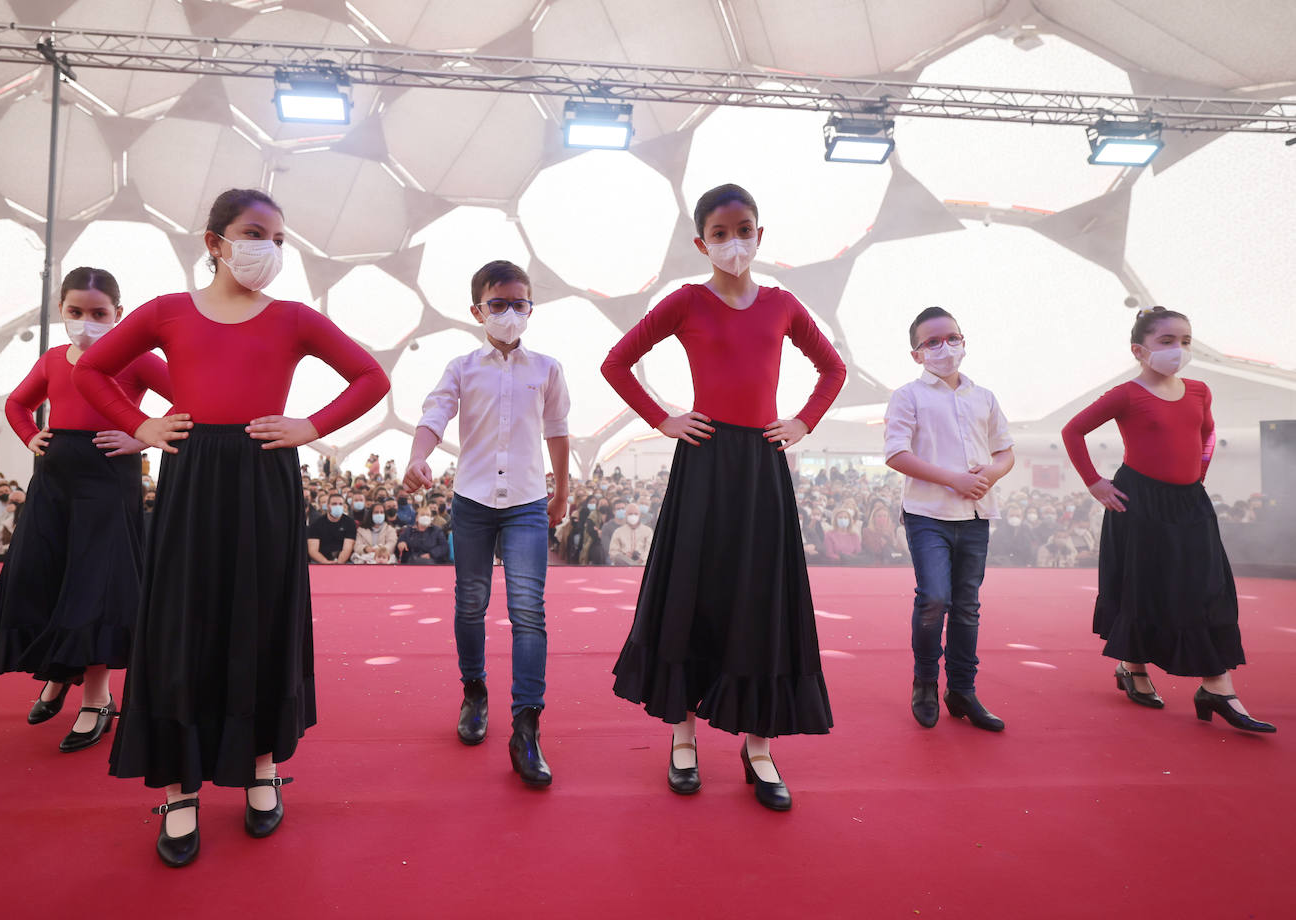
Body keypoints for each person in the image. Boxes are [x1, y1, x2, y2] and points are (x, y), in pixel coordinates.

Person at [72, 188, 390, 866]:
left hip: (264, 475)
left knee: (262, 615)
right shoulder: (165, 312)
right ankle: (181, 787)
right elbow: (96, 370)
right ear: (213, 242)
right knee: (182, 622)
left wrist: (311, 426)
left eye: (277, 238)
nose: (268, 248)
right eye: (253, 233)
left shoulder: (296, 318)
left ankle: (263, 765)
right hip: (189, 476)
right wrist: (141, 425)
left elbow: (370, 378)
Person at [601, 184, 845, 810]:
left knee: (761, 599)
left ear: (759, 234)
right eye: (720, 232)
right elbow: (616, 363)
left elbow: (833, 369)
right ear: (701, 242)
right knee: (691, 592)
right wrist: (662, 420)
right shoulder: (684, 302)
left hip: (763, 467)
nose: (733, 241)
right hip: (704, 462)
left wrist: (803, 422)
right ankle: (682, 738)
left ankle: (758, 747)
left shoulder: (784, 305)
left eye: (744, 229)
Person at [0, 267, 171, 755]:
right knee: (44, 580)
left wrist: (141, 434)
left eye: (99, 313)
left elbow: (196, 405)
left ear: (119, 314)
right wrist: (31, 436)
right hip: (52, 483)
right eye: (75, 312)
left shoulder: (138, 359)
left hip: (109, 483)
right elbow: (17, 404)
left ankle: (98, 698)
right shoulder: (51, 359)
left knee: (96, 587)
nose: (86, 322)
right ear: (61, 312)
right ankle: (58, 673)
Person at [1061, 307, 1273, 733]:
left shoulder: (1199, 390)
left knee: (1206, 587)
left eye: (1186, 340)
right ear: (1140, 350)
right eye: (1167, 341)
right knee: (1147, 588)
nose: (1179, 349)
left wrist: (1199, 474)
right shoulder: (1127, 394)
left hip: (1190, 503)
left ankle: (1213, 684)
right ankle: (1143, 669)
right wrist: (1094, 483)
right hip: (1139, 502)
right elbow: (1072, 431)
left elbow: (1207, 434)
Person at [405, 260, 570, 786]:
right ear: (477, 310)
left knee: (529, 612)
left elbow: (559, 431)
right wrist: (417, 456)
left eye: (519, 303)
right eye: (497, 303)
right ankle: (474, 692)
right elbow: (435, 414)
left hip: (525, 502)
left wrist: (562, 489)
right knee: (471, 603)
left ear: (530, 309)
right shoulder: (461, 367)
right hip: (472, 499)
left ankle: (527, 726)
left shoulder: (547, 368)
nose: (508, 312)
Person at [884, 306, 1014, 732]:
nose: (945, 347)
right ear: (917, 353)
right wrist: (953, 480)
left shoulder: (984, 397)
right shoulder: (909, 395)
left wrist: (990, 474)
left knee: (967, 607)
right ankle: (925, 681)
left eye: (952, 338)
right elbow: (896, 453)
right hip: (927, 514)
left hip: (976, 513)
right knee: (934, 598)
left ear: (964, 342)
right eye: (933, 342)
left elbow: (1005, 450)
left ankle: (962, 689)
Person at [306, 491, 357, 564]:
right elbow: (313, 550)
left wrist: (338, 563)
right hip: (320, 560)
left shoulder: (350, 523)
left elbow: (347, 548)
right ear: (327, 506)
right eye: (334, 504)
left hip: (343, 561)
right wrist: (326, 563)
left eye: (340, 504)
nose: (337, 506)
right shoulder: (316, 523)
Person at [0, 488, 26, 560]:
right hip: (5, 554)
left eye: (17, 501)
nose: (13, 503)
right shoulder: (2, 514)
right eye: (11, 501)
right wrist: (5, 528)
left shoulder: (27, 516)